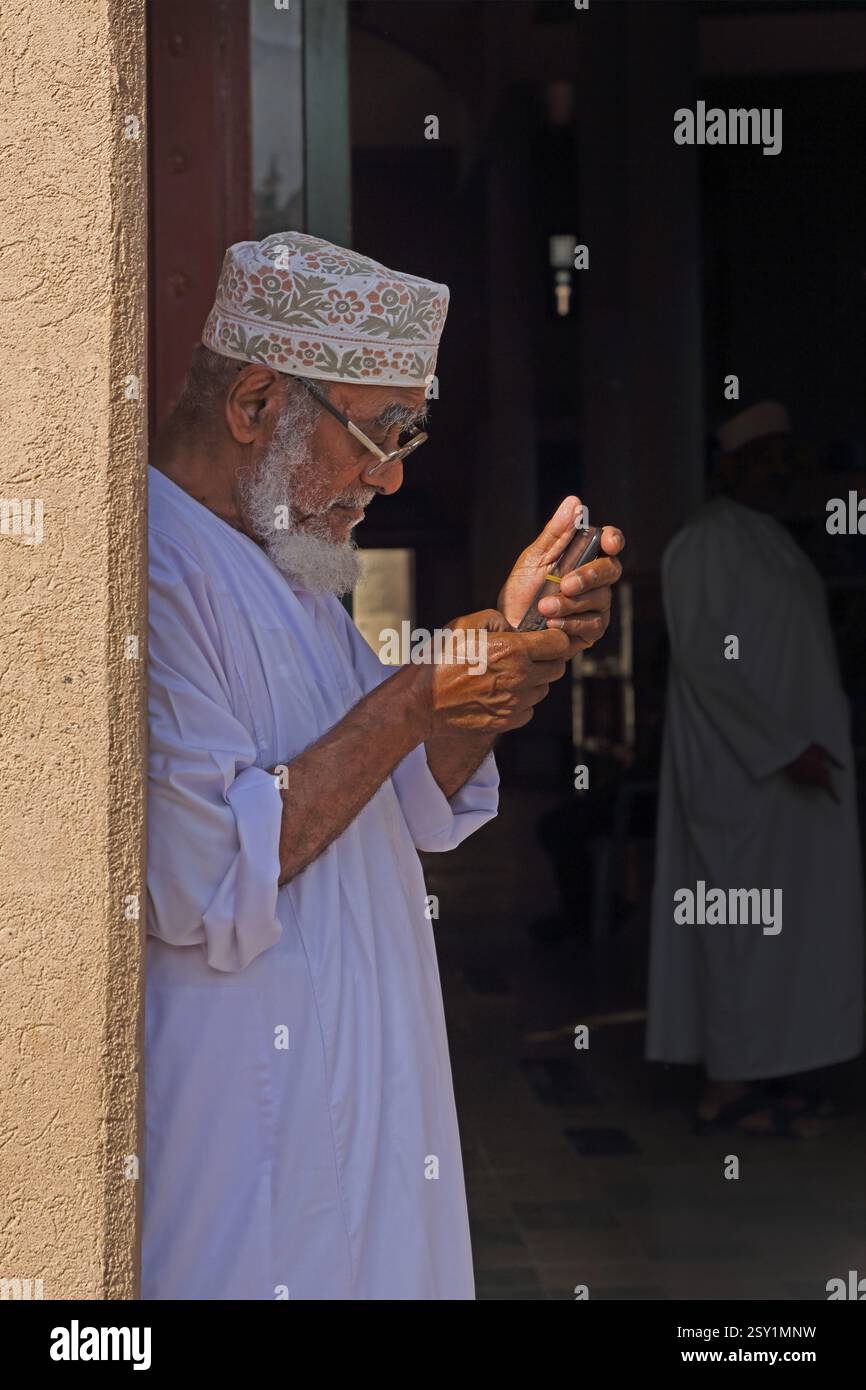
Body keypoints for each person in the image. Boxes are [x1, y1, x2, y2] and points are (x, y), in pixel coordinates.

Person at [142, 230, 625, 1299]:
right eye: (377, 432)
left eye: (407, 434)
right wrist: (419, 689)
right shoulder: (153, 569)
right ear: (256, 403)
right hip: (248, 1128)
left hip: (365, 1095)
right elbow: (198, 868)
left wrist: (507, 650)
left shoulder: (293, 570)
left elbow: (400, 792)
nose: (393, 473)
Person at [646, 401, 864, 1136]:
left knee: (786, 934)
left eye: (785, 456)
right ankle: (727, 1088)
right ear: (730, 466)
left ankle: (766, 1076)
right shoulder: (709, 542)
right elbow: (709, 663)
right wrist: (782, 749)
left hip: (788, 777)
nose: (780, 470)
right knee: (742, 927)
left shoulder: (769, 539)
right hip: (743, 780)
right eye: (764, 456)